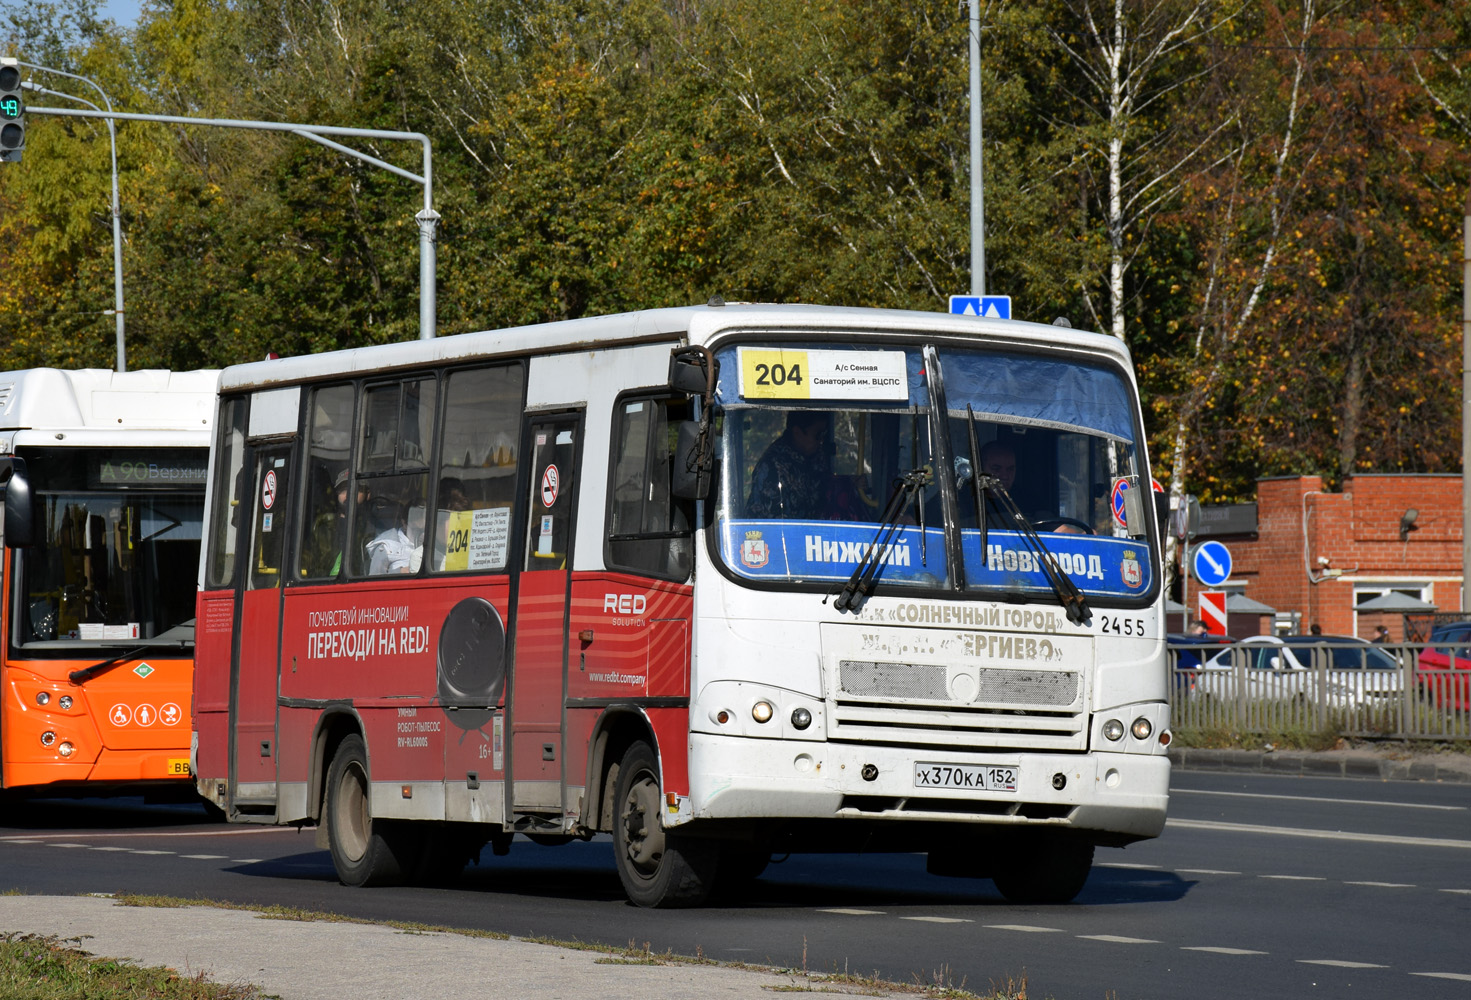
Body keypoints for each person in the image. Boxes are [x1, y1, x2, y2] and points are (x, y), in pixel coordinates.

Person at [747, 411, 832, 519]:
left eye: (824, 435)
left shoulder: (816, 458)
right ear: (797, 432)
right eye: (818, 435)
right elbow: (775, 522)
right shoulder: (773, 466)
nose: (821, 441)